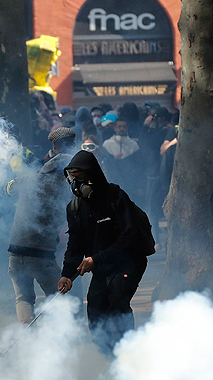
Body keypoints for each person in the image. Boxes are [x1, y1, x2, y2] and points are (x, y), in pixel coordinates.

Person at [58, 151, 149, 357]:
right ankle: (108, 357)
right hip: (100, 266)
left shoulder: (116, 197)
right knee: (96, 310)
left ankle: (128, 355)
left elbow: (129, 236)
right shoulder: (74, 207)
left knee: (117, 304)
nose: (76, 182)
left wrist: (96, 259)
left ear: (92, 175)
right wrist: (67, 273)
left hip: (128, 262)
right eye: (72, 177)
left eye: (79, 176)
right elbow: (75, 244)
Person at [5, 127, 76, 324]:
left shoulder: (31, 178)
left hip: (16, 249)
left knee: (24, 298)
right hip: (40, 252)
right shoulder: (67, 181)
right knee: (60, 297)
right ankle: (59, 338)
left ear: (54, 145)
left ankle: (29, 338)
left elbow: (8, 188)